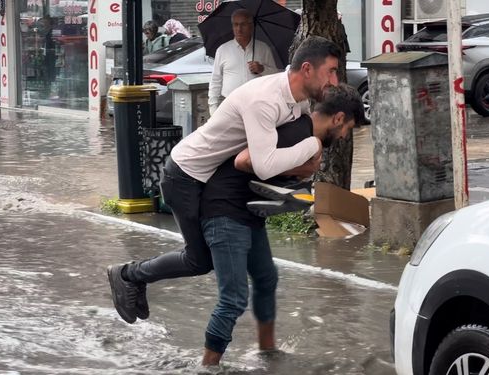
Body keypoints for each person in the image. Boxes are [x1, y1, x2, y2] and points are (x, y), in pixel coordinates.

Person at [106, 36, 340, 325]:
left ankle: (134, 277)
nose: (335, 80)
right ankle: (128, 275)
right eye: (330, 71)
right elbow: (265, 165)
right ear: (307, 69)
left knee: (213, 263)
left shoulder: (298, 101)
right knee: (198, 260)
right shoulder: (265, 99)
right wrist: (313, 146)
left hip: (209, 177)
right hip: (185, 175)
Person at [199, 84, 364, 366]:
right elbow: (245, 160)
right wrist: (302, 168)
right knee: (233, 299)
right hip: (224, 209)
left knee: (266, 277)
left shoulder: (306, 136)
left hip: (247, 211)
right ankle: (207, 366)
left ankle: (267, 351)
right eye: (347, 128)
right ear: (337, 119)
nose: (345, 135)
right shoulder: (299, 134)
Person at [208, 9, 278, 115]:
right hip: (230, 106)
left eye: (243, 24)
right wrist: (213, 109)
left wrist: (262, 69)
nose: (239, 29)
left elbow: (275, 77)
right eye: (235, 25)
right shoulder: (223, 50)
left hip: (257, 106)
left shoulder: (263, 48)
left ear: (251, 26)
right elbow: (215, 81)